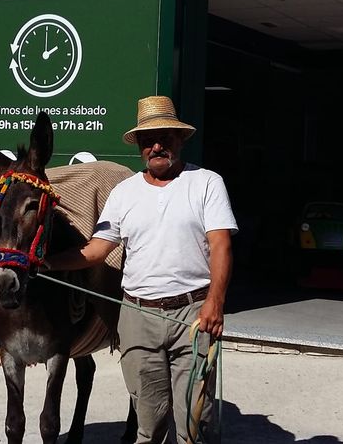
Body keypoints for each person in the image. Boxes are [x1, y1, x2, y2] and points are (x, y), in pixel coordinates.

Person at [48, 96, 238, 443]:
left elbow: (222, 246)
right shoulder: (123, 193)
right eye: (147, 140)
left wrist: (215, 302)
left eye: (164, 137)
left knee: (196, 425)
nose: (156, 146)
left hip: (192, 315)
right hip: (137, 317)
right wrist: (47, 263)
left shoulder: (207, 183)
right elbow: (95, 251)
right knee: (148, 425)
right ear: (138, 146)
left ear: (180, 139)